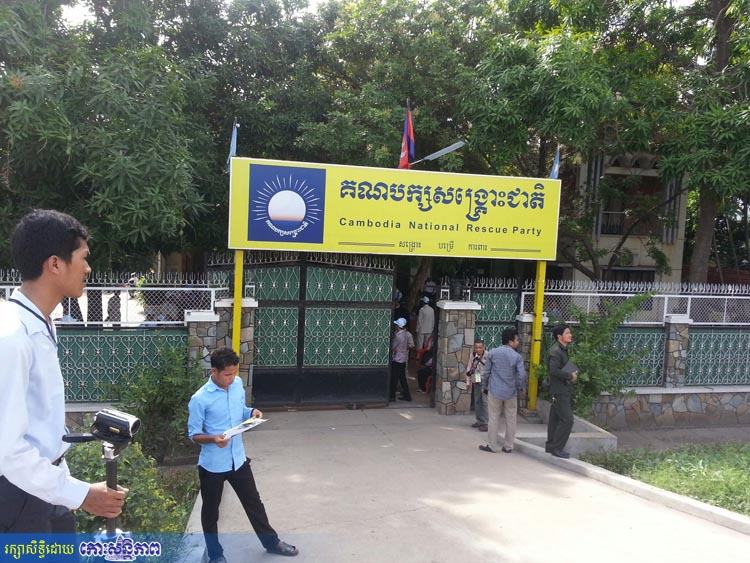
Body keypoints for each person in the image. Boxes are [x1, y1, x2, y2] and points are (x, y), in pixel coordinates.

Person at [0, 209, 127, 533]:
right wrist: (82, 494)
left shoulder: (41, 322)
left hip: (46, 488)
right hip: (18, 498)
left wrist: (68, 490)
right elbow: (7, 450)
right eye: (83, 258)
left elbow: (41, 428)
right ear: (55, 264)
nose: (88, 268)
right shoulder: (12, 336)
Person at [188, 347, 298, 562]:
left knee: (254, 504)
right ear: (214, 372)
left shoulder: (237, 385)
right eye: (227, 374)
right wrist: (214, 439)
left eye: (234, 373)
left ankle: (272, 543)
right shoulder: (200, 399)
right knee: (210, 513)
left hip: (238, 460)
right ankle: (215, 555)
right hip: (212, 466)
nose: (231, 378)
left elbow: (241, 410)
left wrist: (251, 412)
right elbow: (194, 434)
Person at [479, 328, 527, 454]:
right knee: (511, 419)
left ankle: (492, 446)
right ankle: (508, 446)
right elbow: (522, 375)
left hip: (494, 391)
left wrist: (485, 387)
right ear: (510, 341)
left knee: (493, 418)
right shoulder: (517, 357)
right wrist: (520, 387)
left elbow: (486, 373)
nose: (518, 342)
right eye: (517, 340)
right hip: (511, 392)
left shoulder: (492, 353)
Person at [545, 324, 578, 459]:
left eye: (570, 333)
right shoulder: (556, 351)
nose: (570, 335)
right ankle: (557, 448)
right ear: (559, 336)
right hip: (559, 391)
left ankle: (551, 446)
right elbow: (553, 370)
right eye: (567, 333)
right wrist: (570, 376)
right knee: (567, 419)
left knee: (555, 419)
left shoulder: (562, 350)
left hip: (561, 389)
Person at [466, 339, 488, 432]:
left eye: (480, 347)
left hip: (486, 381)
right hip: (476, 380)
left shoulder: (488, 356)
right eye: (476, 347)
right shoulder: (473, 355)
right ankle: (480, 421)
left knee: (485, 402)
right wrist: (468, 382)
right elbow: (469, 367)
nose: (478, 349)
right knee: (477, 401)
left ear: (484, 347)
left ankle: (486, 423)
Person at [390, 317, 414, 402]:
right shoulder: (406, 334)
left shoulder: (398, 336)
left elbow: (393, 347)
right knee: (402, 378)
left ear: (398, 326)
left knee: (394, 378)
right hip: (403, 358)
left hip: (397, 359)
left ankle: (392, 396)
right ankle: (407, 396)